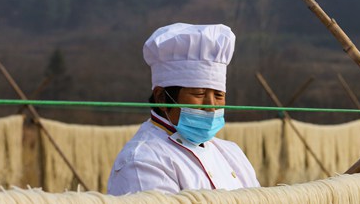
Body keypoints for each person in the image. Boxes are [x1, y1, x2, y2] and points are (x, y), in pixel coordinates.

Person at [107, 23, 260, 195]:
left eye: (218, 95)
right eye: (199, 93)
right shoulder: (142, 161)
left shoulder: (231, 153)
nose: (211, 106)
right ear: (162, 98)